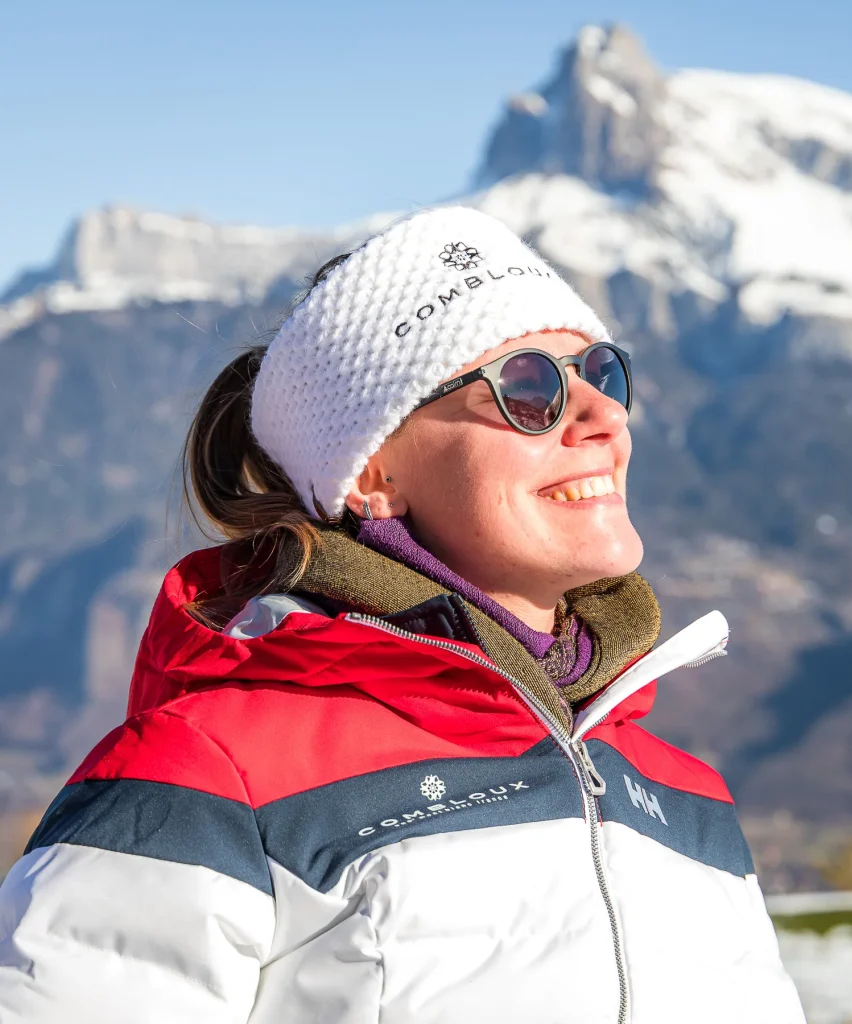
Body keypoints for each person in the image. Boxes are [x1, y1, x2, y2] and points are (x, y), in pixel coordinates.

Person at [0, 207, 805, 1023]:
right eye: (531, 388)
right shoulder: (205, 775)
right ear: (373, 472)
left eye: (602, 372)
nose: (604, 415)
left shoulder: (689, 797)